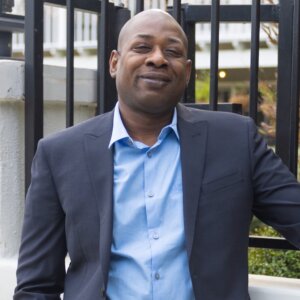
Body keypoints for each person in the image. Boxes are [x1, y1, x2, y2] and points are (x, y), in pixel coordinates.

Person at [14, 9, 300, 300]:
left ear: (186, 72)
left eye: (172, 51)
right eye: (142, 47)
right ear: (114, 63)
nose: (158, 58)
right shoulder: (60, 153)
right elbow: (36, 285)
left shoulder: (235, 140)